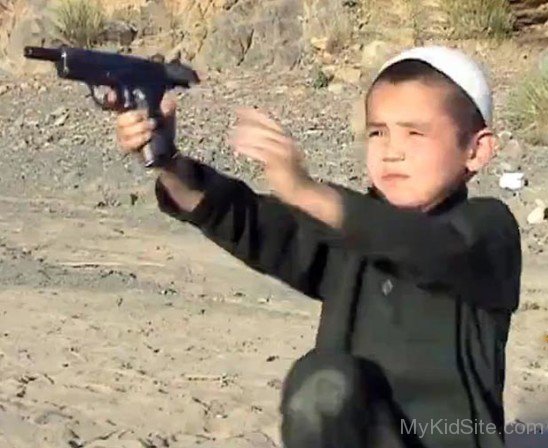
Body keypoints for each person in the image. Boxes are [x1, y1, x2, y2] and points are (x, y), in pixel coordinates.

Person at [111, 46, 522, 447]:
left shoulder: (488, 232)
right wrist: (166, 162)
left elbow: (426, 246)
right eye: (378, 132)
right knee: (322, 384)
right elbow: (254, 222)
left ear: (477, 149)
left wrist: (306, 192)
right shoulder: (349, 240)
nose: (392, 151)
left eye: (415, 133)